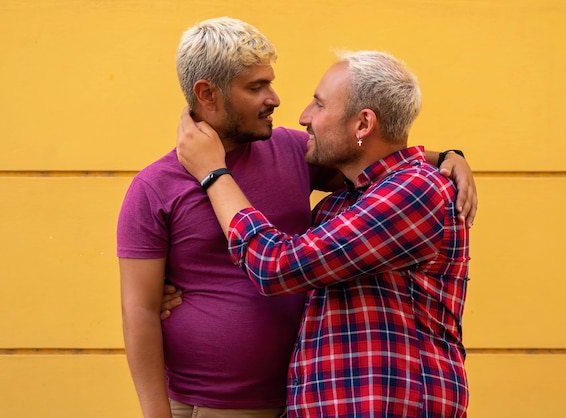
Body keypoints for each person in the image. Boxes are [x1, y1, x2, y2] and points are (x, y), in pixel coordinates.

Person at [118, 16, 476, 418]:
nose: (285, 105)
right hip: (229, 402)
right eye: (256, 87)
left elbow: (372, 158)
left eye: (319, 104)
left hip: (345, 401)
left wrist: (446, 157)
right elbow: (139, 309)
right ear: (208, 94)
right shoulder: (156, 186)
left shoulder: (302, 155)